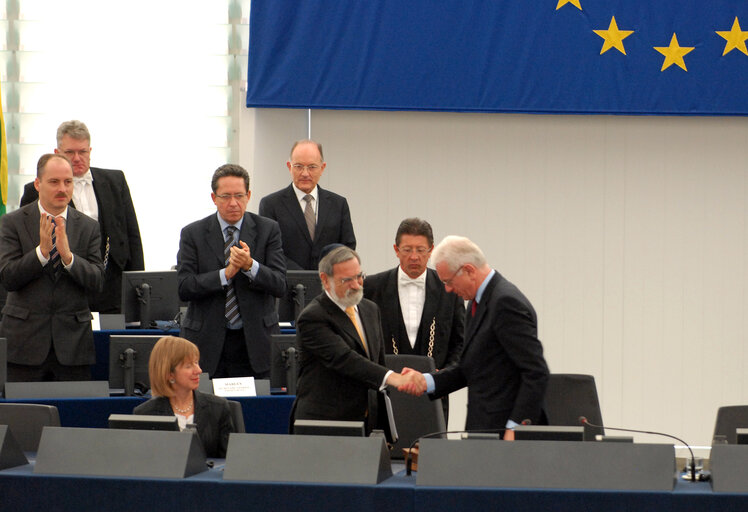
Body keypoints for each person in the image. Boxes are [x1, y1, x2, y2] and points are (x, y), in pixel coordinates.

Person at [399, 236, 549, 439]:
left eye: (449, 281)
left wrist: (515, 429)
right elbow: (469, 367)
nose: (448, 289)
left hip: (506, 435)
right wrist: (425, 381)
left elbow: (536, 372)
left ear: (469, 270)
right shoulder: (476, 303)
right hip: (484, 430)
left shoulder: (505, 303)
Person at [291, 245, 419, 438]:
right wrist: (394, 378)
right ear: (325, 280)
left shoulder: (370, 309)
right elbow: (345, 359)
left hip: (366, 423)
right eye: (347, 280)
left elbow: (377, 361)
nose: (356, 285)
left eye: (359, 277)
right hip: (325, 425)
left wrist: (384, 424)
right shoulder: (312, 317)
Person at [20, 120, 144, 314]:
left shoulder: (115, 180)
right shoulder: (35, 190)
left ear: (90, 151)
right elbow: (27, 240)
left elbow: (132, 235)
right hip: (65, 287)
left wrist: (138, 285)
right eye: (70, 152)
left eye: (83, 152)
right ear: (57, 152)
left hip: (112, 285)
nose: (77, 158)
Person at [0, 154, 104, 381]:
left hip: (73, 346)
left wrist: (68, 258)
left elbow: (97, 281)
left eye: (68, 182)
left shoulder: (89, 227)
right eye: (54, 182)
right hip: (23, 346)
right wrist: (41, 254)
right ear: (38, 184)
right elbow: (8, 277)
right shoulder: (11, 223)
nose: (63, 189)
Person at [177, 164, 286, 379]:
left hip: (255, 342)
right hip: (207, 342)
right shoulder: (193, 233)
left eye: (239, 196)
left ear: (249, 195)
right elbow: (184, 287)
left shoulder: (268, 229)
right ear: (213, 197)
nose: (233, 203)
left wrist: (249, 266)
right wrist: (225, 274)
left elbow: (279, 284)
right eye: (226, 196)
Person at [364, 218, 465, 421]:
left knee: (431, 451)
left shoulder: (450, 290)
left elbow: (460, 342)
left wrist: (442, 375)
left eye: (420, 250)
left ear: (431, 250)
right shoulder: (372, 287)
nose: (414, 257)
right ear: (396, 249)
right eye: (407, 249)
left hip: (434, 393)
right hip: (385, 393)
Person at [258, 139, 356, 270]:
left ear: (322, 168)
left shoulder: (338, 204)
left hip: (328, 283)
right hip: (286, 283)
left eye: (312, 167)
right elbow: (269, 250)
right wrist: (304, 278)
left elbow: (347, 247)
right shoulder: (270, 204)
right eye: (298, 166)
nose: (305, 173)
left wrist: (326, 274)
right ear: (289, 167)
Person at [133, 336, 235, 458]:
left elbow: (230, 461)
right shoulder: (145, 414)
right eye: (188, 366)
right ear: (169, 374)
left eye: (196, 363)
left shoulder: (218, 407)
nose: (199, 370)